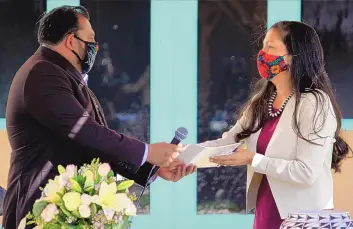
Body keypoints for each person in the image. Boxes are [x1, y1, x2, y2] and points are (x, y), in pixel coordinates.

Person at [2, 6, 196, 229]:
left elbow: (94, 144)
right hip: (42, 209)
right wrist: (147, 152)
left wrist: (152, 167)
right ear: (70, 41)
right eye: (91, 39)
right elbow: (84, 132)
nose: (96, 47)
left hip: (67, 210)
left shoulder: (62, 75)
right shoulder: (43, 73)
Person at [199, 21, 350, 229]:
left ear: (295, 56)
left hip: (302, 219)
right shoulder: (262, 100)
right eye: (262, 46)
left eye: (270, 47)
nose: (262, 54)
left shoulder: (314, 103)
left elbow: (306, 172)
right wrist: (183, 157)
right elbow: (228, 142)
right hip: (265, 213)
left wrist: (254, 159)